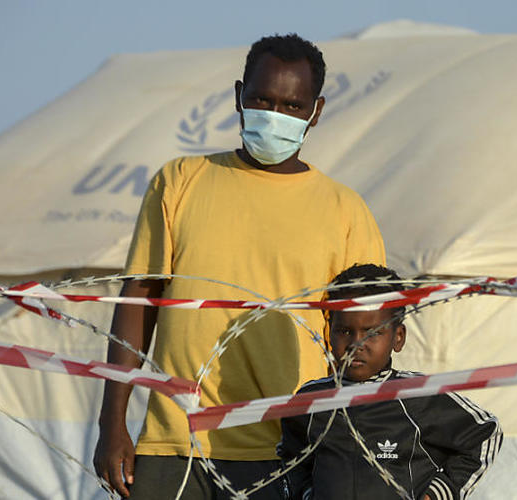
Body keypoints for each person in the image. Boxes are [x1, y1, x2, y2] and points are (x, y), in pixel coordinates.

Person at [93, 34, 386, 499]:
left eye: (292, 105)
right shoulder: (179, 183)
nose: (274, 115)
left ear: (317, 111)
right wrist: (112, 425)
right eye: (261, 100)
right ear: (238, 97)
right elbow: (137, 304)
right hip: (175, 444)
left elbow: (368, 335)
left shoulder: (346, 211)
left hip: (291, 450)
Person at [277, 264, 502, 500]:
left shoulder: (416, 396)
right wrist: (305, 493)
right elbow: (292, 458)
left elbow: (486, 433)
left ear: (398, 337)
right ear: (328, 332)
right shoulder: (311, 401)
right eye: (344, 331)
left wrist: (438, 493)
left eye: (372, 332)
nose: (357, 343)